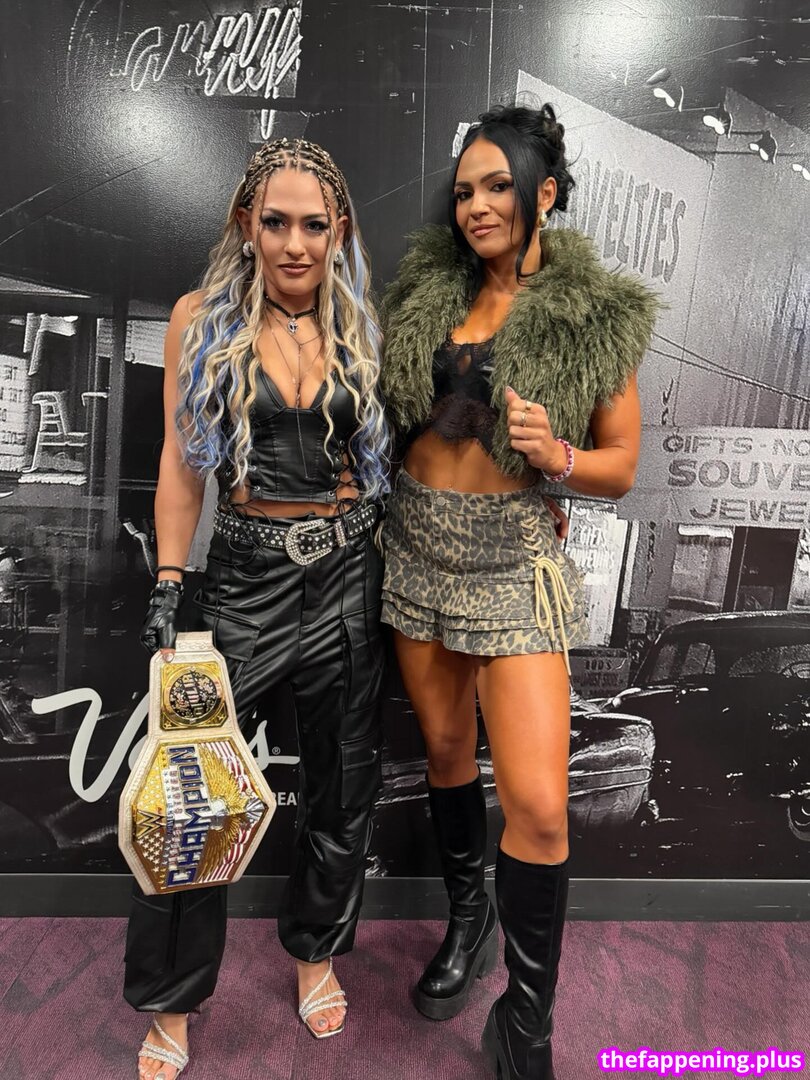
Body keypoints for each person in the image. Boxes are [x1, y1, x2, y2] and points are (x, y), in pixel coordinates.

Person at [380, 103, 659, 1080]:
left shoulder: (592, 315)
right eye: (465, 190)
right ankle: (470, 922)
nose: (477, 206)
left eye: (498, 186)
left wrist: (559, 459)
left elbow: (621, 465)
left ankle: (525, 1023)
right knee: (445, 754)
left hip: (511, 562)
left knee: (539, 804)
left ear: (545, 193)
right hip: (417, 545)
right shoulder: (430, 293)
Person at [129, 137, 390, 1080]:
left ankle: (315, 953)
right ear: (247, 223)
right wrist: (169, 582)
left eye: (313, 225)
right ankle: (173, 997)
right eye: (275, 222)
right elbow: (179, 461)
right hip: (243, 580)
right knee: (193, 794)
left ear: (339, 229)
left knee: (342, 790)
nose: (294, 244)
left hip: (348, 573)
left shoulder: (362, 323)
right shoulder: (200, 317)